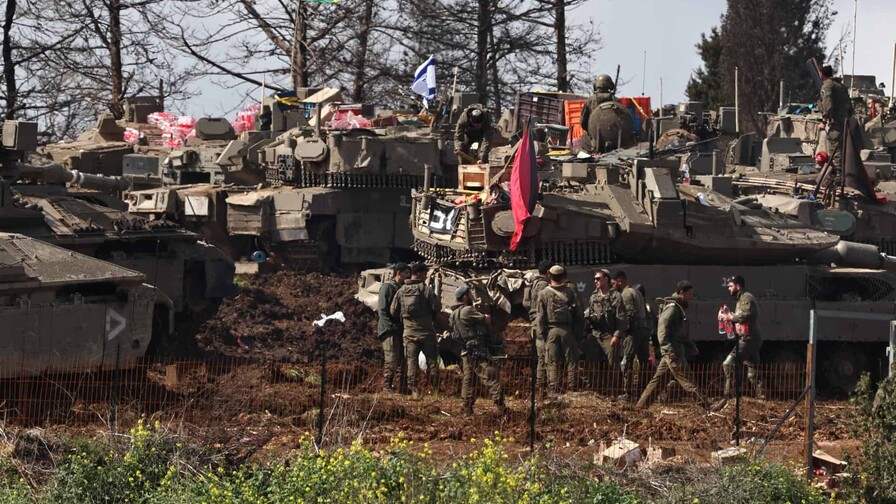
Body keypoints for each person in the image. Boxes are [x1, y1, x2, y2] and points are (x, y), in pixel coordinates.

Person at [636, 281, 711, 410]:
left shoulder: (678, 307)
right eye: (689, 294)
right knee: (688, 380)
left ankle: (640, 407)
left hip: (672, 351)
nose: (691, 297)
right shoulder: (672, 308)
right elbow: (662, 330)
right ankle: (707, 406)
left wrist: (689, 345)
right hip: (673, 353)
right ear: (682, 293)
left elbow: (678, 333)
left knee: (658, 382)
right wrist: (669, 349)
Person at [450, 284, 506, 416]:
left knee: (469, 380)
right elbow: (486, 320)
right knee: (490, 374)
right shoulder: (467, 310)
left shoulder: (453, 314)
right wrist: (490, 312)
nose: (472, 297)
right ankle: (501, 407)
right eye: (470, 294)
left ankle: (466, 409)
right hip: (476, 350)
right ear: (465, 297)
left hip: (465, 350)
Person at [390, 262, 441, 398]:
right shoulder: (426, 290)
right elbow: (437, 307)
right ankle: (434, 391)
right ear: (418, 274)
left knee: (411, 362)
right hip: (427, 332)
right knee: (432, 361)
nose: (426, 276)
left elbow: (393, 311)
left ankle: (414, 391)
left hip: (409, 333)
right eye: (425, 274)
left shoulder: (401, 291)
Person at [535, 265, 584, 399]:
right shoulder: (570, 291)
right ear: (563, 276)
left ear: (549, 275)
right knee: (571, 360)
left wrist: (543, 335)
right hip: (566, 330)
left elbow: (540, 317)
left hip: (551, 330)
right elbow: (579, 313)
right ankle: (572, 388)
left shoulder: (543, 293)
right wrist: (577, 333)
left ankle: (553, 389)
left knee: (552, 361)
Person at [718, 275, 764, 399]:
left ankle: (729, 397)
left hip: (749, 339)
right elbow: (741, 316)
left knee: (729, 364)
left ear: (738, 286)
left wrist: (730, 317)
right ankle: (762, 397)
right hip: (750, 338)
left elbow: (745, 315)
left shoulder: (746, 298)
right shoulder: (741, 299)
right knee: (753, 372)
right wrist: (730, 317)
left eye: (731, 286)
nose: (729, 288)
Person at [585, 269, 627, 395]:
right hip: (596, 334)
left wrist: (616, 335)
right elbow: (590, 314)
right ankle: (596, 390)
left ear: (606, 279)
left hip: (610, 334)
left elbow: (621, 317)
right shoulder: (593, 296)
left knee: (612, 363)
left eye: (598, 279)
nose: (595, 281)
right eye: (595, 279)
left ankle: (614, 391)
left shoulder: (615, 296)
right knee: (593, 363)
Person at [614, 271, 652, 401]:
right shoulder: (636, 292)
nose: (613, 285)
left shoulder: (626, 293)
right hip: (643, 331)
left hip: (633, 333)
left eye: (614, 283)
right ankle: (643, 392)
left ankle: (628, 393)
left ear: (619, 281)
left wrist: (621, 331)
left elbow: (629, 314)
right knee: (644, 362)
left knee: (627, 362)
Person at [377, 262, 410, 393]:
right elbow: (382, 310)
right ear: (398, 273)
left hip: (400, 328)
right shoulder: (387, 288)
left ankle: (402, 386)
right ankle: (387, 386)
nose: (408, 276)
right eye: (406, 273)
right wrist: (390, 327)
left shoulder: (402, 288)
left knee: (403, 359)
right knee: (391, 358)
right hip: (389, 329)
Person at [523, 260, 554, 396]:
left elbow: (526, 304)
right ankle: (545, 388)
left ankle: (541, 388)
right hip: (541, 323)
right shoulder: (543, 285)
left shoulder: (532, 283)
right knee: (546, 356)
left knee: (541, 357)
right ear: (548, 272)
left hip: (535, 322)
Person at [818, 64, 853, 175]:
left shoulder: (827, 85)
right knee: (842, 148)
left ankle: (838, 175)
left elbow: (828, 104)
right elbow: (850, 107)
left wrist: (824, 121)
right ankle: (842, 173)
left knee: (835, 149)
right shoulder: (841, 86)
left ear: (821, 74)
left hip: (836, 123)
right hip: (845, 122)